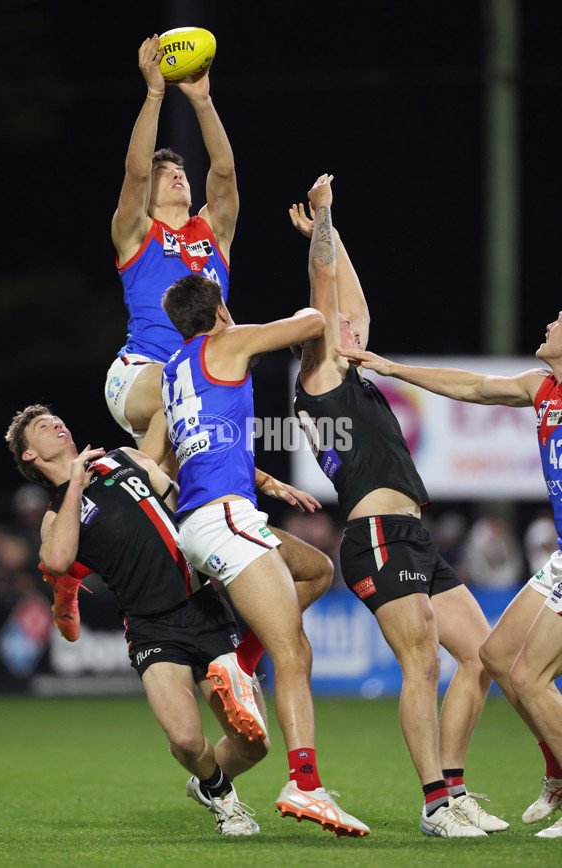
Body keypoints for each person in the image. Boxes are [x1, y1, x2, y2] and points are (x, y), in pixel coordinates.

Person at [291, 176, 508, 837]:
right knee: (422, 661)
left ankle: (457, 788)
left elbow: (351, 301)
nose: (353, 325)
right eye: (339, 327)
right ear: (319, 337)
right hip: (377, 536)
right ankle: (436, 804)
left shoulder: (349, 373)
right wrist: (324, 220)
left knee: (483, 654)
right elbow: (326, 292)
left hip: (414, 537)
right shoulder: (318, 377)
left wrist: (337, 228)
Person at [335, 309, 562, 838]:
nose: (549, 323)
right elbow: (472, 386)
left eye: (559, 320)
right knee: (497, 656)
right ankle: (555, 769)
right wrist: (393, 369)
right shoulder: (542, 388)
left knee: (529, 677)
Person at [161, 265, 370, 836]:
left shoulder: (175, 370)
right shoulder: (228, 340)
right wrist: (319, 267)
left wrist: (270, 483)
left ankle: (239, 667)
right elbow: (312, 322)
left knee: (316, 569)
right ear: (220, 310)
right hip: (225, 519)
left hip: (213, 517)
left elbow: (195, 450)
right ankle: (305, 786)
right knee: (297, 654)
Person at [4, 404, 270, 837]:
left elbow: (185, 502)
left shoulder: (127, 459)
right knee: (185, 740)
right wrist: (75, 483)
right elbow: (55, 559)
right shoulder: (57, 514)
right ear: (30, 455)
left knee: (255, 742)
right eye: (42, 426)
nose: (57, 422)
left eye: (57, 417)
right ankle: (226, 802)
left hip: (204, 607)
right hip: (151, 627)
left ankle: (208, 782)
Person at [105, 34, 238, 463]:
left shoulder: (213, 231)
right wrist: (154, 94)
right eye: (165, 171)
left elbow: (224, 169)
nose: (177, 173)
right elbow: (135, 171)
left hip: (194, 389)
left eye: (180, 168)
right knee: (182, 382)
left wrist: (202, 101)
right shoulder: (136, 232)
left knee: (191, 505)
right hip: (139, 375)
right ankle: (137, 484)